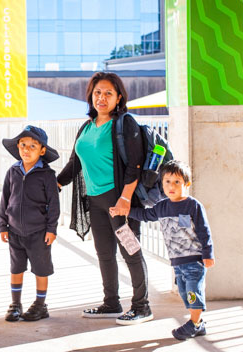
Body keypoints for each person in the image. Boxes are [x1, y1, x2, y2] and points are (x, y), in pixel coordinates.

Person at [56, 72, 153, 325]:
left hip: (119, 200)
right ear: (91, 95)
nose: (102, 97)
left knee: (130, 251)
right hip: (95, 200)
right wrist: (55, 182)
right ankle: (111, 303)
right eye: (97, 92)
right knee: (104, 253)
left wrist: (125, 199)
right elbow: (74, 163)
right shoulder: (86, 127)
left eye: (108, 93)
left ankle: (142, 306)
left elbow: (135, 165)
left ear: (118, 97)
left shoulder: (124, 123)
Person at [125, 160, 215, 340]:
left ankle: (194, 323)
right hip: (177, 262)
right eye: (167, 181)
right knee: (184, 292)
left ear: (186, 184)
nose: (171, 186)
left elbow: (204, 231)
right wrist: (125, 211)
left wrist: (208, 254)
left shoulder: (192, 205)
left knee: (192, 292)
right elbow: (144, 215)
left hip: (194, 260)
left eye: (177, 182)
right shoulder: (162, 206)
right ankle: (199, 324)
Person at [0, 126, 60, 322]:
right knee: (16, 268)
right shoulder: (12, 171)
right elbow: (5, 199)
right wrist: (3, 225)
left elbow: (54, 204)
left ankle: (40, 305)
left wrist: (51, 229)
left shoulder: (47, 174)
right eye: (23, 145)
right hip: (14, 231)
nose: (26, 149)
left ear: (42, 150)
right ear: (18, 146)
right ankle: (15, 304)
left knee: (41, 269)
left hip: (39, 232)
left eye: (33, 146)